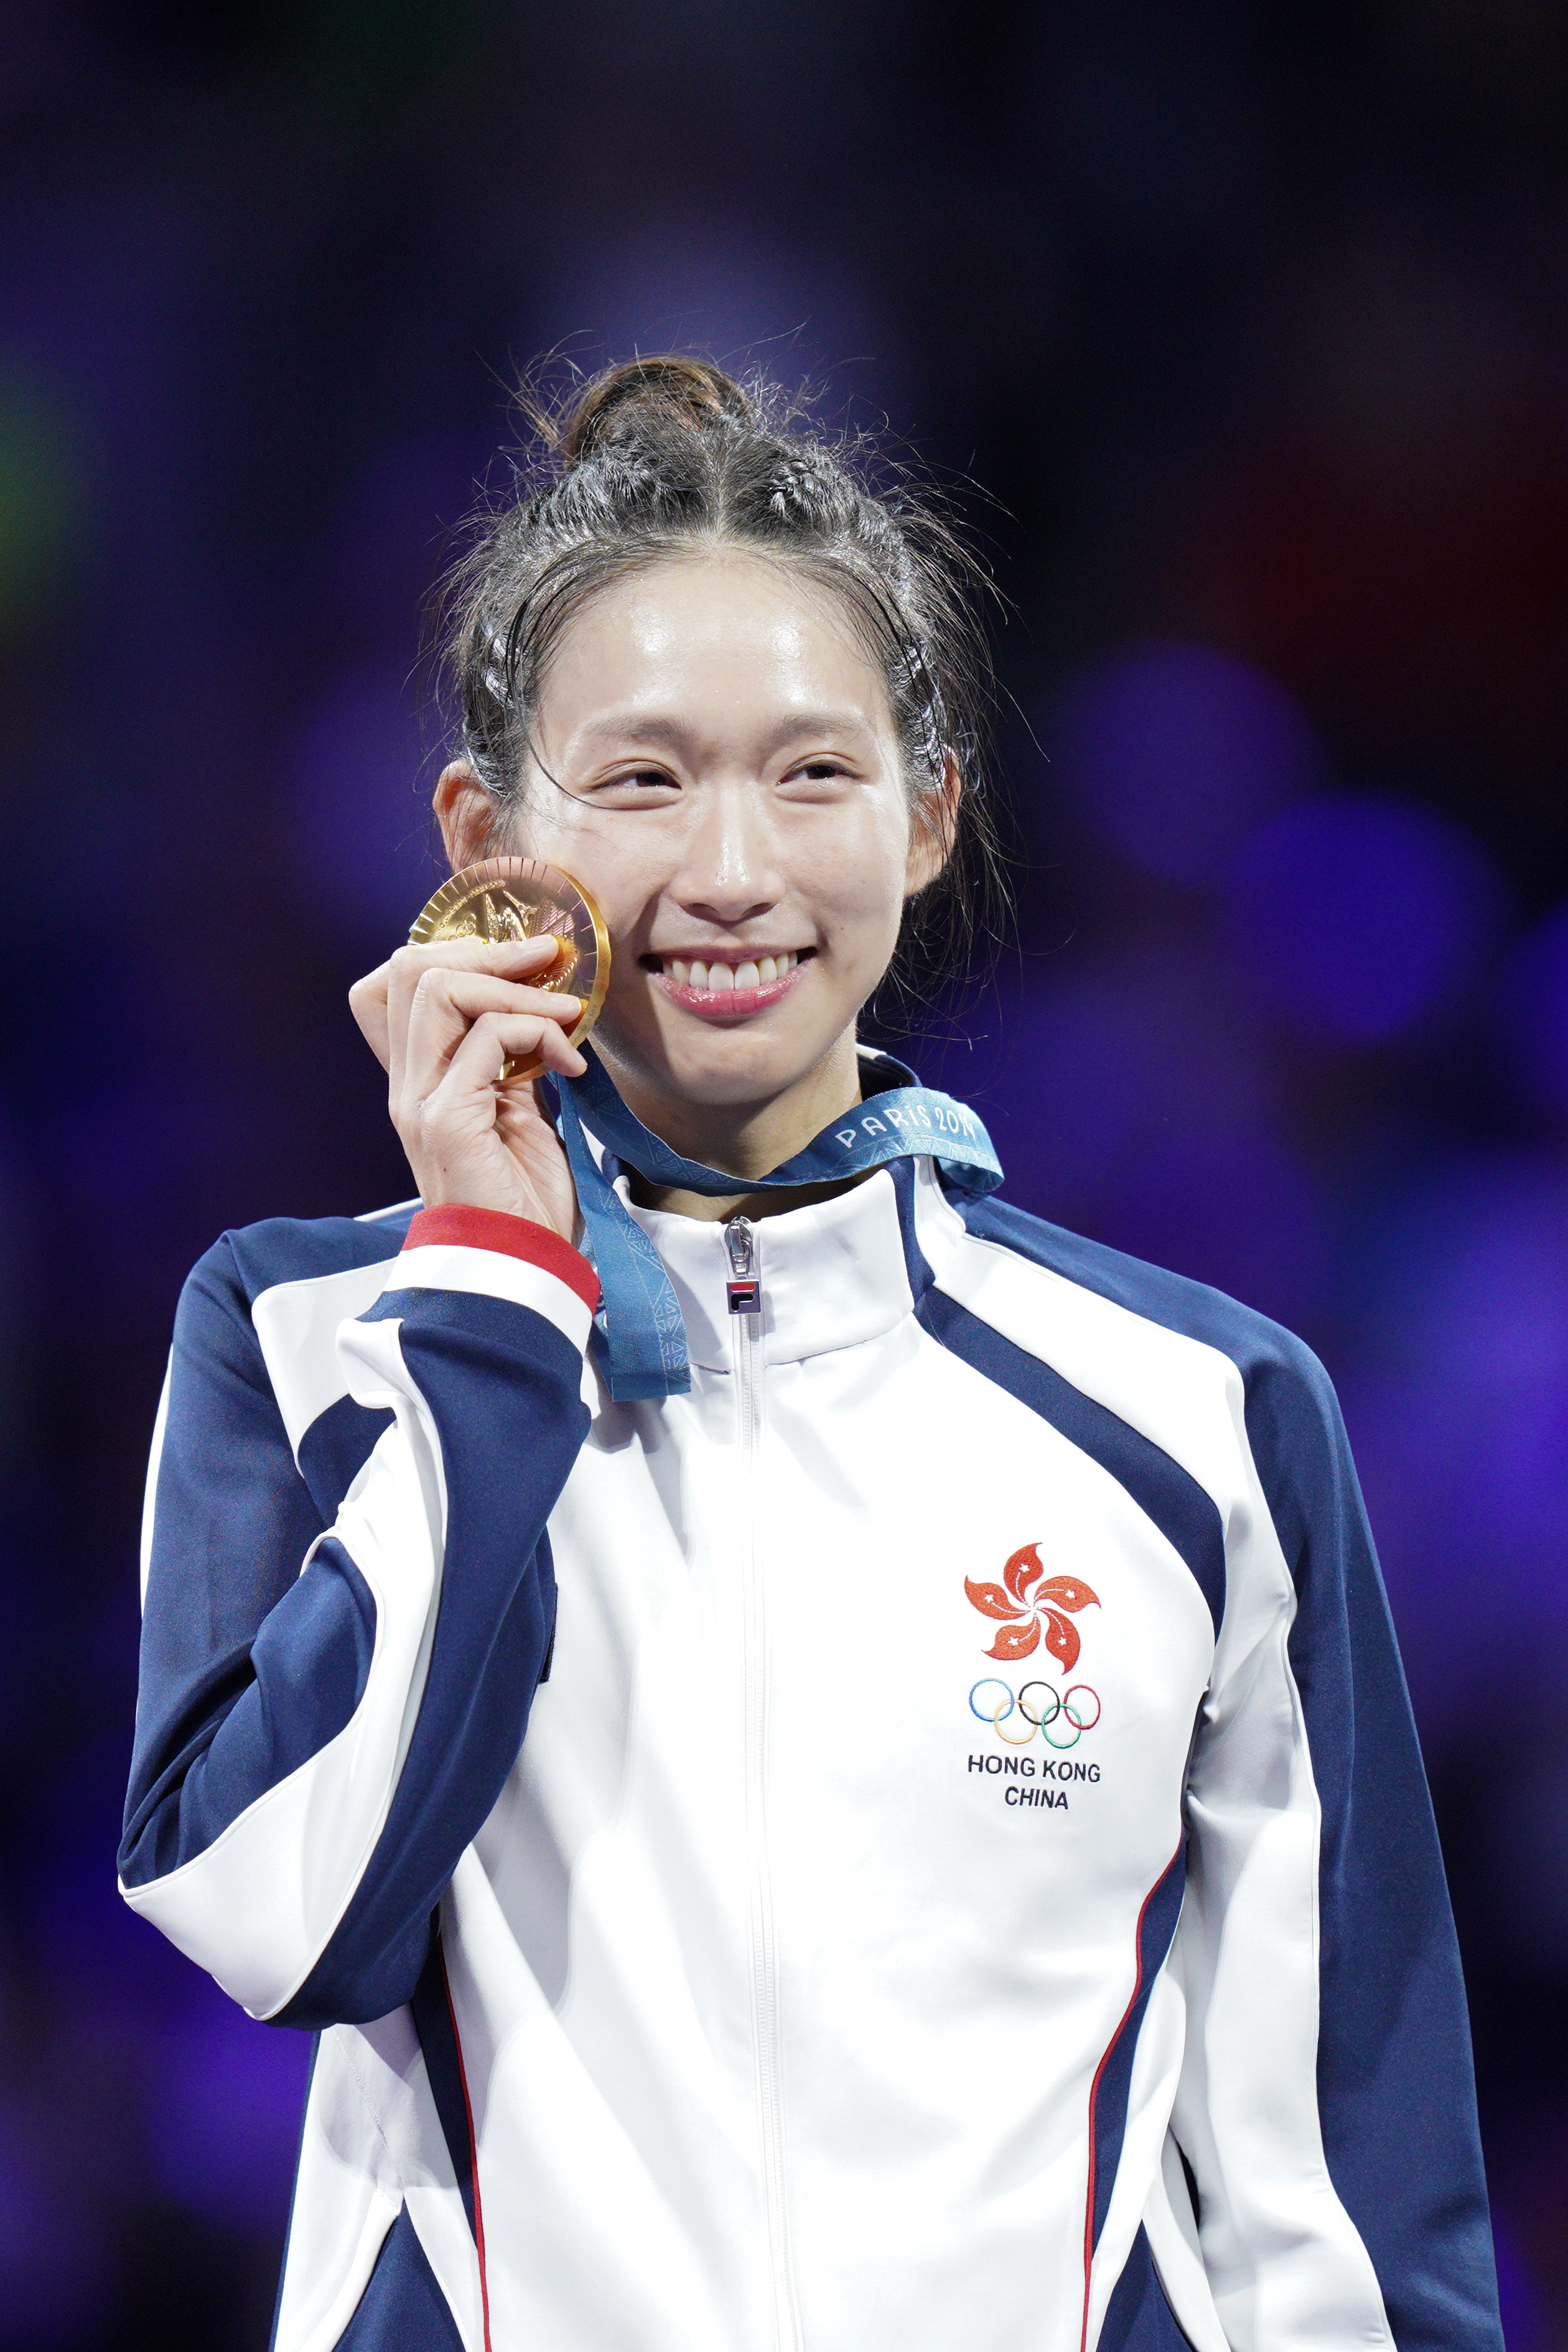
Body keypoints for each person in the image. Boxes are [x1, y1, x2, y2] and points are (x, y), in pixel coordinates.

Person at [119, 357, 1502, 2352]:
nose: (732, 869)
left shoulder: (1202, 1412)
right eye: (642, 779)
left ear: (930, 814)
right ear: (489, 837)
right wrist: (494, 1293)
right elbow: (284, 1916)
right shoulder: (308, 1339)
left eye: (814, 773)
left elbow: (1341, 2196)